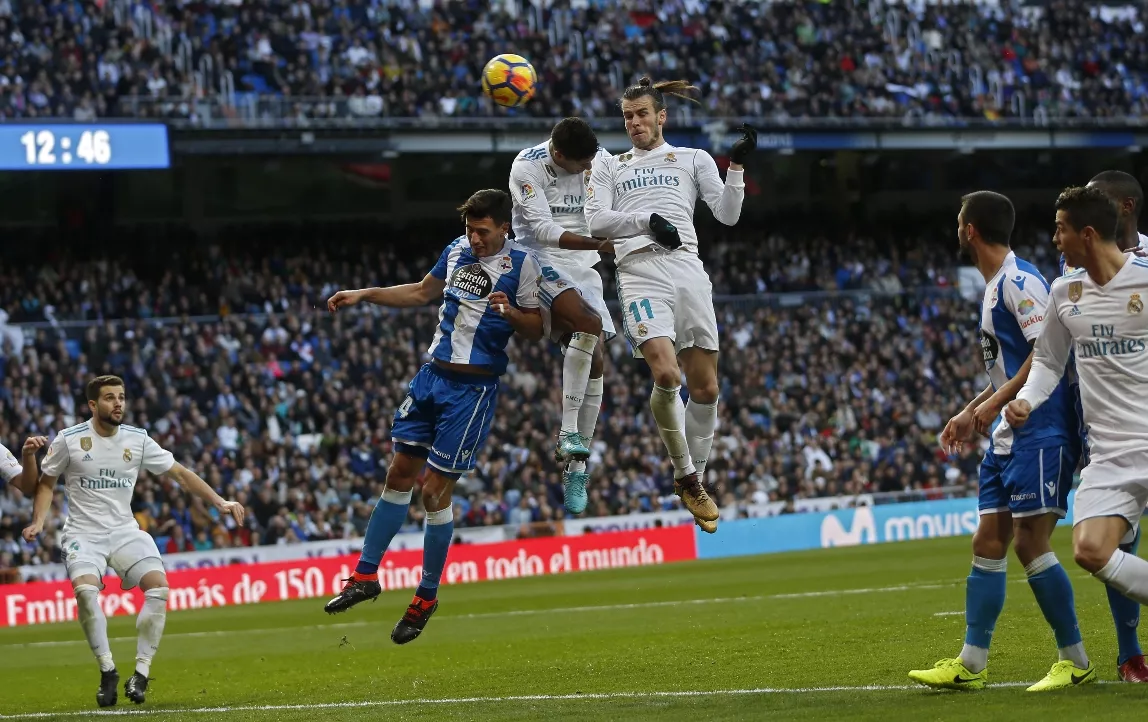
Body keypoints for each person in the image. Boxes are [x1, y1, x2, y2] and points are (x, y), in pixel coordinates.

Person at [322, 189, 544, 644]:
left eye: (483, 231)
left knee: (433, 491)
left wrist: (513, 314)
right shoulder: (457, 250)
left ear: (505, 227)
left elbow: (537, 328)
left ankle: (425, 596)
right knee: (399, 472)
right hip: (430, 378)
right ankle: (365, 576)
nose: (474, 238)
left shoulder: (524, 264)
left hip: (472, 389)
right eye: (470, 229)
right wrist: (366, 294)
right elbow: (423, 291)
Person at [909, 191, 1093, 692]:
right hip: (1008, 432)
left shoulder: (1019, 280)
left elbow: (1045, 355)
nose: (956, 227)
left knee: (1031, 542)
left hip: (1041, 425)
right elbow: (1007, 370)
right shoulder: (994, 287)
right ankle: (971, 664)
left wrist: (992, 407)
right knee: (988, 540)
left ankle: (1074, 657)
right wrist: (971, 411)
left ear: (970, 229)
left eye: (958, 220)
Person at [584, 77, 756, 534]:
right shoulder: (610, 165)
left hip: (687, 270)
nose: (634, 123)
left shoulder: (693, 159)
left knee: (706, 390)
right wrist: (647, 221)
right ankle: (685, 473)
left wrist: (735, 166)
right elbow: (597, 219)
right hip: (639, 271)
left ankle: (694, 480)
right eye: (627, 116)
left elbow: (727, 213)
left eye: (642, 114)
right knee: (666, 375)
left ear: (661, 116)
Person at [21, 375, 244, 708]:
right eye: (110, 398)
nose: (118, 403)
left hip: (125, 530)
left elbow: (180, 474)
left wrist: (219, 501)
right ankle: (107, 670)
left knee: (159, 588)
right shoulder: (69, 440)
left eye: (122, 397)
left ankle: (140, 673)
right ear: (93, 405)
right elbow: (46, 483)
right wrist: (39, 521)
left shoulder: (137, 440)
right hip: (83, 533)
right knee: (85, 592)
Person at [1006, 187, 1148, 667]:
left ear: (1086, 234)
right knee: (1089, 550)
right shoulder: (1065, 292)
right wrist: (1026, 400)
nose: (1054, 238)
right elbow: (1047, 361)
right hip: (1109, 453)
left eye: (1061, 229)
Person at [509, 117, 614, 513]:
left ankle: (576, 466)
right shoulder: (527, 166)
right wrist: (601, 245)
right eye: (580, 164)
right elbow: (543, 228)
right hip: (539, 258)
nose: (588, 169)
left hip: (584, 264)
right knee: (588, 324)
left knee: (598, 356)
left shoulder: (597, 159)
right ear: (558, 154)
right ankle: (568, 430)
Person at [1076, 171, 1148, 681]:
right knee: (1115, 542)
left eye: (1096, 199)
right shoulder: (1073, 269)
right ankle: (1130, 653)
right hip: (1108, 429)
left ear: (1125, 206)